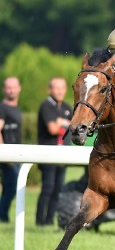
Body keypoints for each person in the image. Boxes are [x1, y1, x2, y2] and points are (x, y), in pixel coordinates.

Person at [36, 77, 73, 226]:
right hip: (48, 154)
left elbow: (75, 127)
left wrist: (61, 122)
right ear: (50, 89)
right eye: (56, 88)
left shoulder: (66, 106)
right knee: (48, 188)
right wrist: (66, 124)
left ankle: (49, 221)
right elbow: (52, 129)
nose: (59, 91)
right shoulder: (46, 105)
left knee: (58, 189)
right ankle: (40, 221)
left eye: (62, 88)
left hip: (62, 154)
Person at [0, 77, 23, 223]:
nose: (11, 90)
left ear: (19, 88)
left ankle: (3, 215)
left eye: (13, 87)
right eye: (8, 87)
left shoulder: (15, 108)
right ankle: (2, 215)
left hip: (15, 154)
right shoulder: (2, 107)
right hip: (7, 155)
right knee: (11, 186)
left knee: (11, 186)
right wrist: (4, 153)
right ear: (4, 89)